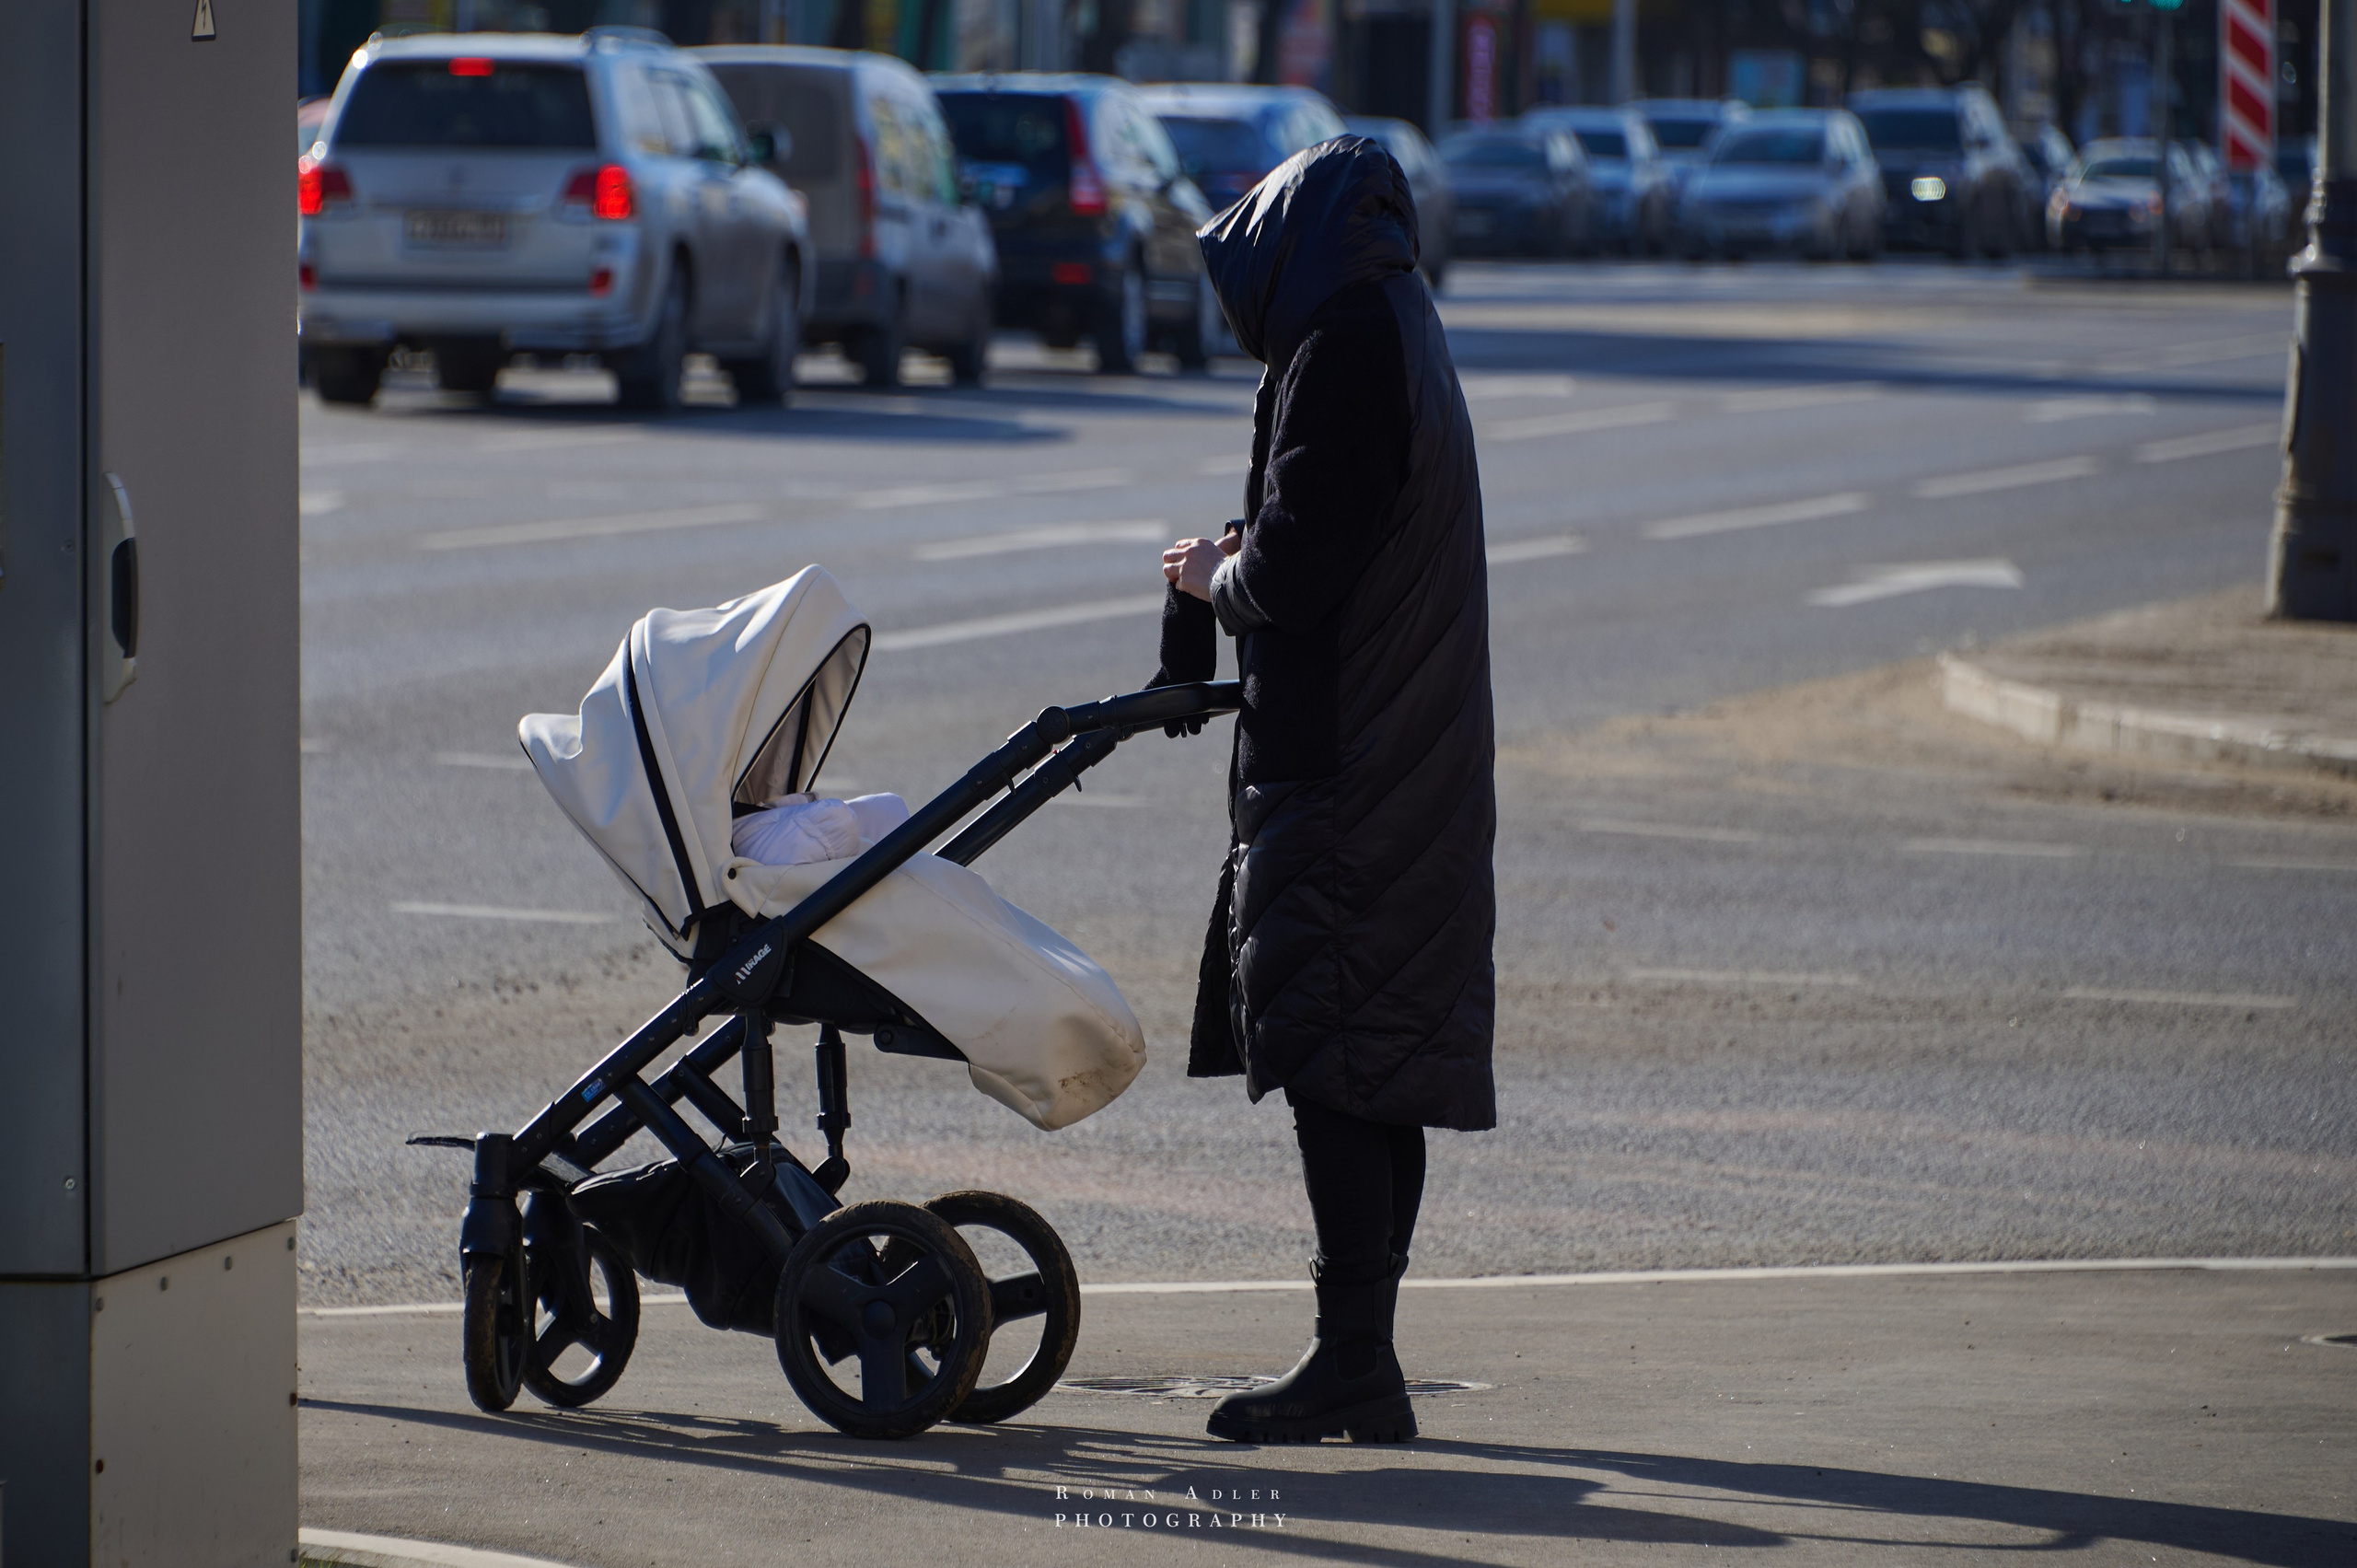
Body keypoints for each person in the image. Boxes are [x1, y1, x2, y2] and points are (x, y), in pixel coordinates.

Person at [1154, 136, 1495, 1445]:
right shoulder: (1397, 316)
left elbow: (1296, 574)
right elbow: (1342, 527)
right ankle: (1363, 1355)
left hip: (1350, 756)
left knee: (1335, 1057)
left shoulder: (1344, 344)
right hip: (1403, 742)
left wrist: (1213, 579)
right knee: (1373, 1056)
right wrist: (1251, 553)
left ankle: (1354, 1362)